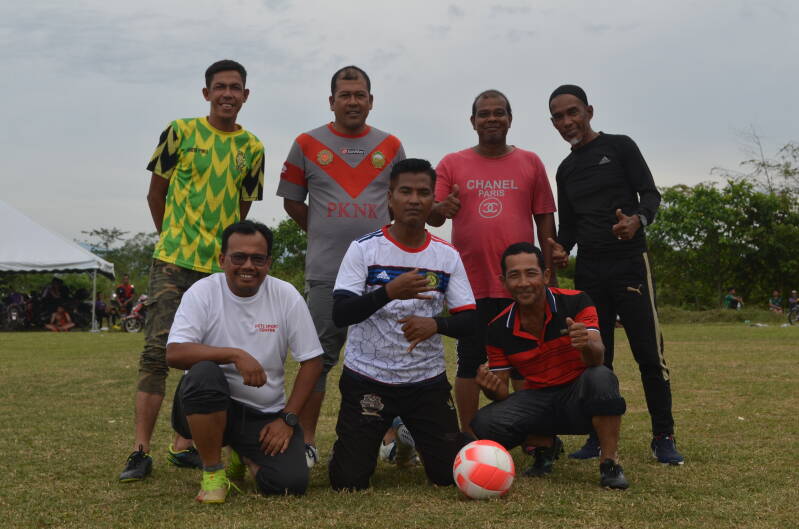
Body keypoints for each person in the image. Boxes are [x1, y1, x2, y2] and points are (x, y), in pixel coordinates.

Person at [119, 59, 264, 482]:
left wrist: (227, 256)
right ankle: (140, 451)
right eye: (220, 87)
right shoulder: (179, 131)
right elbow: (156, 193)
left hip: (221, 270)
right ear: (206, 93)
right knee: (157, 353)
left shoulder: (253, 147)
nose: (227, 94)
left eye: (235, 88)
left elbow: (242, 209)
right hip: (173, 262)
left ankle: (186, 444)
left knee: (214, 357)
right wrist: (172, 239)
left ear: (245, 95)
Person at [547, 85, 684, 465]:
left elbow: (650, 195)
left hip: (629, 263)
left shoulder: (620, 147)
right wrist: (561, 248)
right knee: (595, 357)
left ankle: (664, 436)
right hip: (590, 271)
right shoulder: (565, 169)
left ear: (589, 111)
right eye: (558, 117)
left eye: (573, 112)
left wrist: (637, 220)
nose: (567, 121)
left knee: (648, 355)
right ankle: (596, 435)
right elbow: (569, 227)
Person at [276, 65, 406, 467]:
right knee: (318, 358)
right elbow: (293, 202)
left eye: (360, 94)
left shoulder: (391, 145)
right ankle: (307, 441)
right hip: (327, 271)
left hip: (382, 273)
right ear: (331, 101)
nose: (353, 101)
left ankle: (390, 438)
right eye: (345, 95)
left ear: (371, 100)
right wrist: (326, 234)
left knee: (389, 355)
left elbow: (402, 200)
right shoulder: (306, 143)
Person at [328, 158, 476, 491]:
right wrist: (388, 292)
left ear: (432, 200)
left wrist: (436, 325)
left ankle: (408, 432)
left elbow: (470, 320)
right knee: (348, 482)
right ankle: (368, 436)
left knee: (447, 477)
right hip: (368, 379)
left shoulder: (446, 255)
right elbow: (341, 313)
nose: (414, 200)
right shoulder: (363, 249)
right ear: (390, 198)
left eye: (423, 193)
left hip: (425, 382)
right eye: (405, 191)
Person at [427, 89, 557, 434]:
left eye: (499, 113)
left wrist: (550, 274)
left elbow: (544, 218)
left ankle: (531, 436)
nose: (492, 119)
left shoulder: (530, 162)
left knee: (525, 360)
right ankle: (469, 437)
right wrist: (441, 208)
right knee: (470, 359)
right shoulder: (452, 163)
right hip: (470, 283)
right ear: (472, 122)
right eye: (484, 114)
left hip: (521, 283)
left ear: (510, 119)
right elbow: (433, 216)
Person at [166, 220, 322, 503]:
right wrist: (234, 355)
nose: (248, 266)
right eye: (238, 257)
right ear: (222, 260)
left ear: (269, 263)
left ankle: (243, 453)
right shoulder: (202, 292)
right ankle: (213, 473)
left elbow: (312, 361)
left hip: (263, 413)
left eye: (257, 259)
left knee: (289, 485)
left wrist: (287, 419)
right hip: (206, 403)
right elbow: (175, 353)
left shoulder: (286, 295)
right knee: (203, 373)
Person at [471, 243, 628, 489]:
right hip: (538, 400)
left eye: (531, 273)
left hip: (578, 397)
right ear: (503, 282)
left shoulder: (576, 302)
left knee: (601, 376)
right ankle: (545, 445)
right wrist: (489, 387)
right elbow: (501, 391)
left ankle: (609, 463)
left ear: (545, 275)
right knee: (484, 423)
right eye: (514, 275)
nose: (523, 283)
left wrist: (586, 344)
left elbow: (597, 357)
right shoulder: (497, 328)